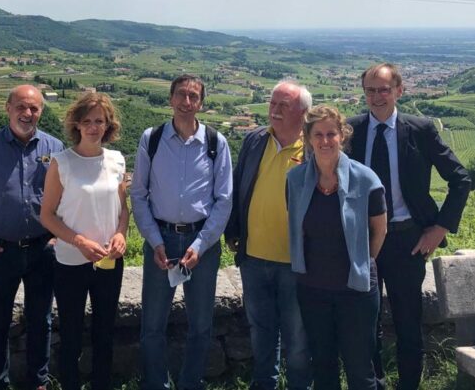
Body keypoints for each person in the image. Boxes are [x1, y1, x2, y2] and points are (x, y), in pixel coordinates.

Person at [348, 63, 471, 390]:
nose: (376, 97)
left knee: (407, 324)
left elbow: (461, 180)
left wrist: (440, 228)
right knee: (365, 324)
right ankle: (373, 384)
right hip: (363, 243)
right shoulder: (351, 131)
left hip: (408, 242)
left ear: (399, 91)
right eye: (370, 90)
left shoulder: (420, 129)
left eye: (384, 90)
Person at [131, 74, 233, 390]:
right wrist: (155, 241)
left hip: (201, 242)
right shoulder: (152, 138)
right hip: (161, 240)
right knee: (152, 325)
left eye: (193, 97)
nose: (186, 102)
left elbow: (224, 200)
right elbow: (138, 194)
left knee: (201, 325)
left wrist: (201, 245)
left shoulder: (217, 143)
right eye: (181, 95)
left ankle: (190, 383)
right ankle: (156, 384)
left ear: (201, 103)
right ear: (171, 99)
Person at [0, 85, 64, 390]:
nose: (28, 113)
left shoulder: (55, 148)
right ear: (7, 107)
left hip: (42, 249)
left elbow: (67, 199)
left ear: (41, 111)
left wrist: (56, 238)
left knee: (42, 320)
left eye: (34, 108)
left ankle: (38, 382)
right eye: (21, 106)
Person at [287, 105, 388, 390]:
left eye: (331, 133)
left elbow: (380, 230)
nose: (325, 141)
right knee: (323, 367)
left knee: (360, 370)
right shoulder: (294, 180)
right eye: (318, 134)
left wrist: (362, 262)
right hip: (312, 289)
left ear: (342, 135)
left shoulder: (366, 179)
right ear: (308, 138)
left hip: (355, 291)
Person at [224, 80, 313, 390]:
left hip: (297, 262)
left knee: (297, 338)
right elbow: (239, 185)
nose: (274, 110)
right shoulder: (255, 140)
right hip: (254, 258)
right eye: (272, 103)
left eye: (283, 105)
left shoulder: (314, 147)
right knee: (261, 332)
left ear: (303, 112)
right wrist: (233, 230)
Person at [39, 92, 129, 390]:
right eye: (87, 121)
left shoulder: (116, 160)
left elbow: (122, 210)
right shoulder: (61, 163)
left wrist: (120, 234)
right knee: (72, 333)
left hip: (108, 261)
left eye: (99, 121)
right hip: (70, 262)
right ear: (76, 124)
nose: (93, 127)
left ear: (108, 125)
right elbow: (47, 216)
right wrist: (79, 242)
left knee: (105, 331)